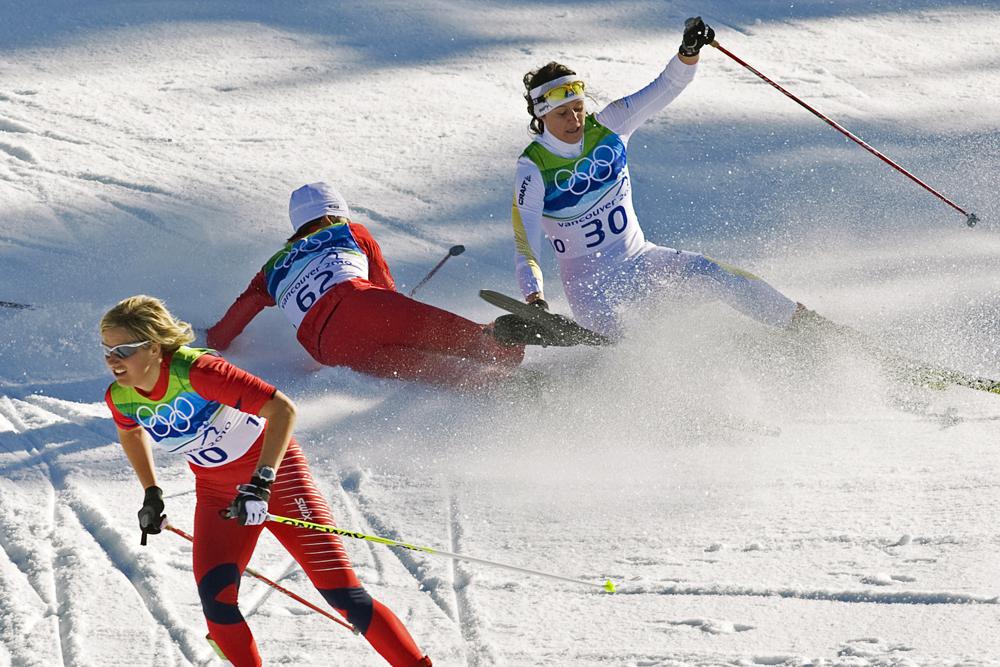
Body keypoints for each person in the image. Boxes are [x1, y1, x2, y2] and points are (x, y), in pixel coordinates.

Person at [101, 295, 432, 667]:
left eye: (124, 349)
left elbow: (282, 410)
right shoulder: (122, 398)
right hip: (217, 493)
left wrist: (261, 483)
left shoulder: (198, 372)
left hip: (279, 480)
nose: (112, 359)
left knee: (345, 596)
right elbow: (130, 434)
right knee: (216, 599)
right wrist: (152, 492)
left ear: (154, 346)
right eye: (107, 349)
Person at [504, 17, 816, 341]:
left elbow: (667, 86)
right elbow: (525, 245)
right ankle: (537, 346)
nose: (575, 119)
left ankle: (810, 329)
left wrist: (688, 51)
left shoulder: (610, 124)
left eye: (579, 108)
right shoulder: (533, 167)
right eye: (562, 113)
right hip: (593, 293)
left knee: (718, 276)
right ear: (541, 115)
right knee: (632, 351)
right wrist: (535, 300)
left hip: (643, 262)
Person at [207, 182, 527, 387]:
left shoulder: (271, 269)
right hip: (362, 305)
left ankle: (498, 389)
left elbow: (226, 331)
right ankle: (507, 339)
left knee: (431, 371)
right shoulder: (350, 232)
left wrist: (205, 338)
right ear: (334, 216)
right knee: (466, 342)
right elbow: (384, 287)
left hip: (326, 347)